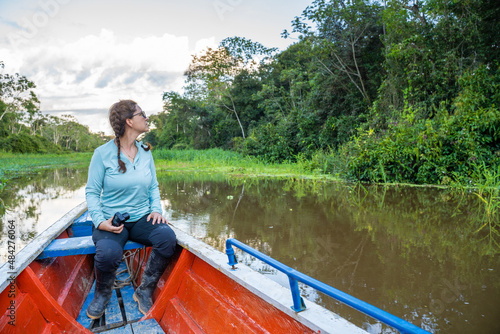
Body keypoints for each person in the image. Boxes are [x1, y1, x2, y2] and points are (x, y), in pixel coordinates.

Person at [85, 100, 176, 319]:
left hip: (142, 217)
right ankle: (103, 293)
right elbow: (92, 192)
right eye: (141, 114)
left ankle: (144, 290)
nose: (146, 118)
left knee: (167, 238)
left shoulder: (145, 151)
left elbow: (153, 185)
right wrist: (99, 221)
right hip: (111, 220)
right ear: (129, 121)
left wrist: (156, 209)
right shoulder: (102, 153)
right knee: (107, 254)